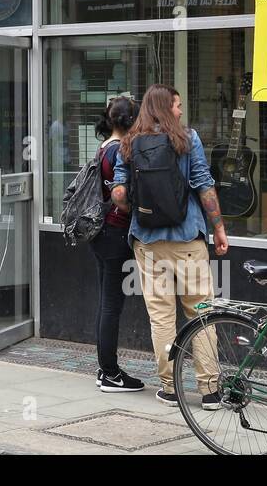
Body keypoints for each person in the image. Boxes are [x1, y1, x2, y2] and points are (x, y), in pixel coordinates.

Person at [111, 84, 228, 408]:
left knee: (162, 318)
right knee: (202, 314)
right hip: (188, 239)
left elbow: (119, 195)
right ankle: (210, 390)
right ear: (165, 108)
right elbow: (204, 185)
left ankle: (171, 387)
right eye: (176, 105)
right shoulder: (187, 139)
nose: (179, 111)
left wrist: (137, 201)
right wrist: (218, 228)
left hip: (148, 242)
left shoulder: (130, 143)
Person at [86, 97, 144, 393]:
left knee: (105, 304)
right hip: (116, 233)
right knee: (111, 306)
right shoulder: (121, 151)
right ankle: (109, 372)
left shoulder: (103, 146)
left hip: (101, 233)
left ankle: (104, 368)